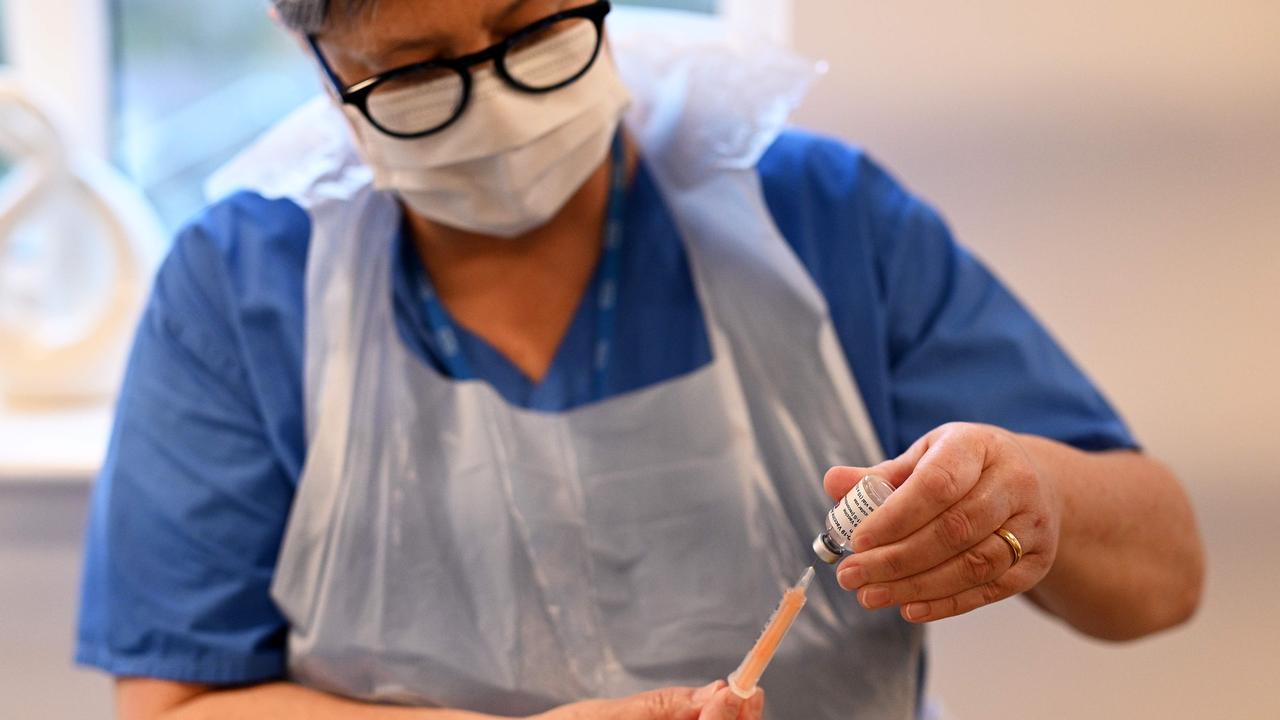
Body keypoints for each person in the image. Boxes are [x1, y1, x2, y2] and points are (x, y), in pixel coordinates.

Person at [75, 1, 1205, 718]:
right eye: (415, 73)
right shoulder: (241, 287)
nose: (499, 105)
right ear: (321, 65)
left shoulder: (815, 218)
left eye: (532, 30)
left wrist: (1035, 499)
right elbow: (176, 705)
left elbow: (1161, 582)